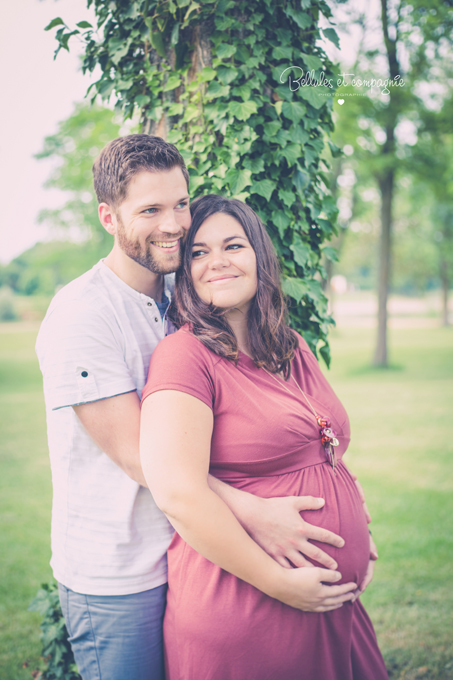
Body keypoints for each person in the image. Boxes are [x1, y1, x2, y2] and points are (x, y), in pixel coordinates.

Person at [35, 134, 370, 680]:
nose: (173, 224)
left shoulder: (183, 297)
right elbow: (143, 462)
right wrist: (259, 515)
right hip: (121, 575)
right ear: (108, 217)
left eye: (180, 204)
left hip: (190, 554)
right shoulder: (82, 315)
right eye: (150, 210)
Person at [140, 194, 388, 680]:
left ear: (260, 256)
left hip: (332, 605)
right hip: (248, 606)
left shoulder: (290, 345)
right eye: (198, 252)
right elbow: (178, 493)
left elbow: (325, 447)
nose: (217, 262)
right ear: (185, 270)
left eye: (233, 245)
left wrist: (357, 523)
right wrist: (280, 583)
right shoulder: (184, 356)